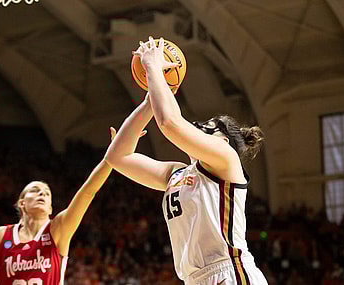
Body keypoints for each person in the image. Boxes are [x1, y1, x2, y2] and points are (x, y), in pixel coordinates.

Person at [105, 36, 268, 284]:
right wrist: (151, 99)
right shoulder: (177, 174)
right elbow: (118, 157)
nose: (197, 126)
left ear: (223, 140)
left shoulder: (226, 159)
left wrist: (153, 68)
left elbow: (170, 123)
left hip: (231, 273)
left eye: (207, 126)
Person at [0, 127, 145, 285]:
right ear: (22, 202)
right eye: (35, 190)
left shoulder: (58, 228)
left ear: (51, 209)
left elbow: (87, 192)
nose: (42, 194)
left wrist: (111, 158)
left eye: (46, 193)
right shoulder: (1, 235)